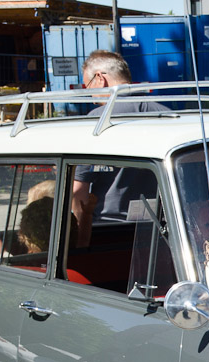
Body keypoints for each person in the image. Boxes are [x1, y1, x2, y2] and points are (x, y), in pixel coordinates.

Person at [71, 50, 169, 247]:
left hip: (107, 231)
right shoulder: (165, 115)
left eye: (88, 86)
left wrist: (80, 239)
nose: (91, 95)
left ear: (100, 78)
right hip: (159, 229)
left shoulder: (96, 121)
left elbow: (79, 192)